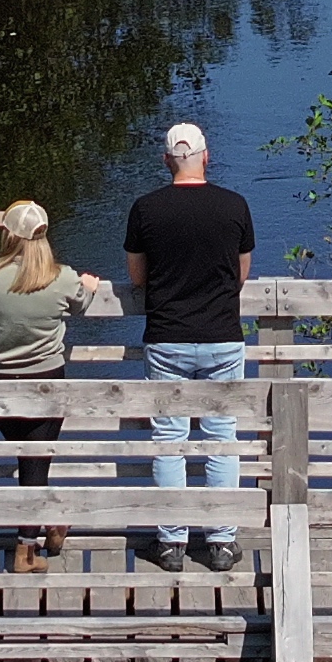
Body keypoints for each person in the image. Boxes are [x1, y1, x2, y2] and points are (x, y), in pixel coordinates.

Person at [121, 121, 254, 570]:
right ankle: (221, 541)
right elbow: (241, 273)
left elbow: (138, 278)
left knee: (169, 440)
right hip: (222, 338)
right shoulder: (234, 205)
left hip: (167, 338)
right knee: (221, 439)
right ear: (206, 157)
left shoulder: (146, 209)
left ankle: (172, 543)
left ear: (166, 161)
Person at [0, 200, 105, 574]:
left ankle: (51, 524)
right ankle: (25, 551)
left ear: (10, 235)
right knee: (36, 461)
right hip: (46, 380)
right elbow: (80, 305)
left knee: (31, 459)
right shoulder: (63, 277)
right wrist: (90, 287)